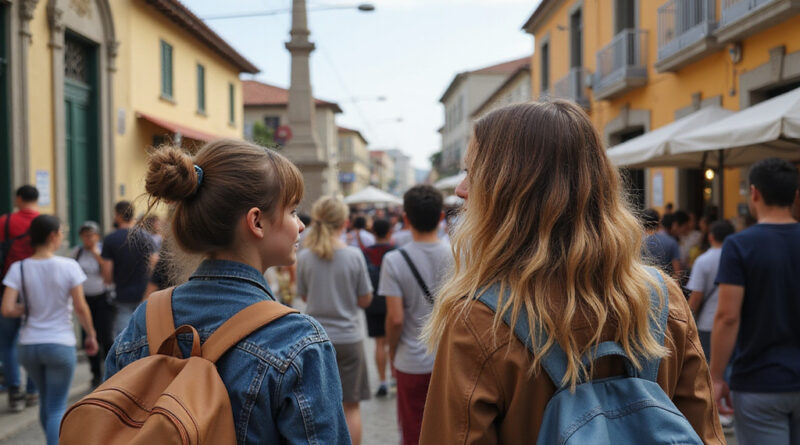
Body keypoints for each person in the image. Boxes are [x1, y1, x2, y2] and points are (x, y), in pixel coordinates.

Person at [419, 101, 723, 444]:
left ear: (510, 193)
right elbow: (706, 435)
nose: (461, 189)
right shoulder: (662, 297)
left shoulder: (480, 319)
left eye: (472, 173)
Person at [106, 140, 350, 444]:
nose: (300, 225)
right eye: (292, 210)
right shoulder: (296, 338)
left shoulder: (144, 319)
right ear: (256, 221)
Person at [712, 158, 800, 445]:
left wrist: (715, 377)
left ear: (754, 193)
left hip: (759, 383)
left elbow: (728, 316)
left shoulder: (740, 245)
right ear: (795, 195)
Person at [1, 214, 98, 445]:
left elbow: (6, 309)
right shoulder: (68, 266)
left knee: (46, 401)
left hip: (29, 345)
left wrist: (29, 307)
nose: (62, 236)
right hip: (59, 344)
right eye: (62, 232)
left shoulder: (19, 267)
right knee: (56, 407)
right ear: (53, 236)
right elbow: (81, 307)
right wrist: (91, 334)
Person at [298, 196, 373, 445]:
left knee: (321, 408)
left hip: (316, 339)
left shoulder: (306, 256)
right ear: (344, 222)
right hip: (350, 338)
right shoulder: (354, 255)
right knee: (350, 407)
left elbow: (304, 295)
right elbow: (364, 300)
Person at [381, 185, 452, 445]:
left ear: (406, 218)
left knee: (413, 432)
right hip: (449, 360)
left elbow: (395, 319)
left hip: (410, 359)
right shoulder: (458, 254)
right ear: (441, 217)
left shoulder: (394, 261)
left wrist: (391, 351)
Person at [0, 185, 39, 411]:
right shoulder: (44, 222)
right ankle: (33, 391)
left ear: (18, 198)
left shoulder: (5, 222)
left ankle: (15, 389)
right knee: (32, 338)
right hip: (37, 288)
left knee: (7, 342)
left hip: (8, 288)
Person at [101, 201, 158, 336]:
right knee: (144, 331)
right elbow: (154, 262)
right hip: (145, 291)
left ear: (118, 215)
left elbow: (107, 274)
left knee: (123, 333)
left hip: (122, 292)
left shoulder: (110, 239)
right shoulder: (146, 237)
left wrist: (109, 283)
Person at [72, 221, 115, 387]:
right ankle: (95, 373)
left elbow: (107, 274)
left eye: (91, 235)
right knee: (90, 336)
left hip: (103, 297)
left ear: (97, 236)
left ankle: (110, 371)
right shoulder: (77, 252)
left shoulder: (104, 250)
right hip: (85, 298)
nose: (87, 239)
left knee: (106, 336)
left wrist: (97, 254)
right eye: (84, 236)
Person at [363, 218, 395, 397]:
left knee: (379, 343)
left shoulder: (365, 253)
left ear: (373, 232)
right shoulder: (396, 252)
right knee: (393, 341)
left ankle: (382, 381)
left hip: (373, 301)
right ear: (389, 232)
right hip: (393, 300)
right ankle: (394, 377)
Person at [642, 208, 683, 280]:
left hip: (641, 284)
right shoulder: (671, 242)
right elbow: (677, 272)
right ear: (659, 223)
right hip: (664, 285)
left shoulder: (635, 243)